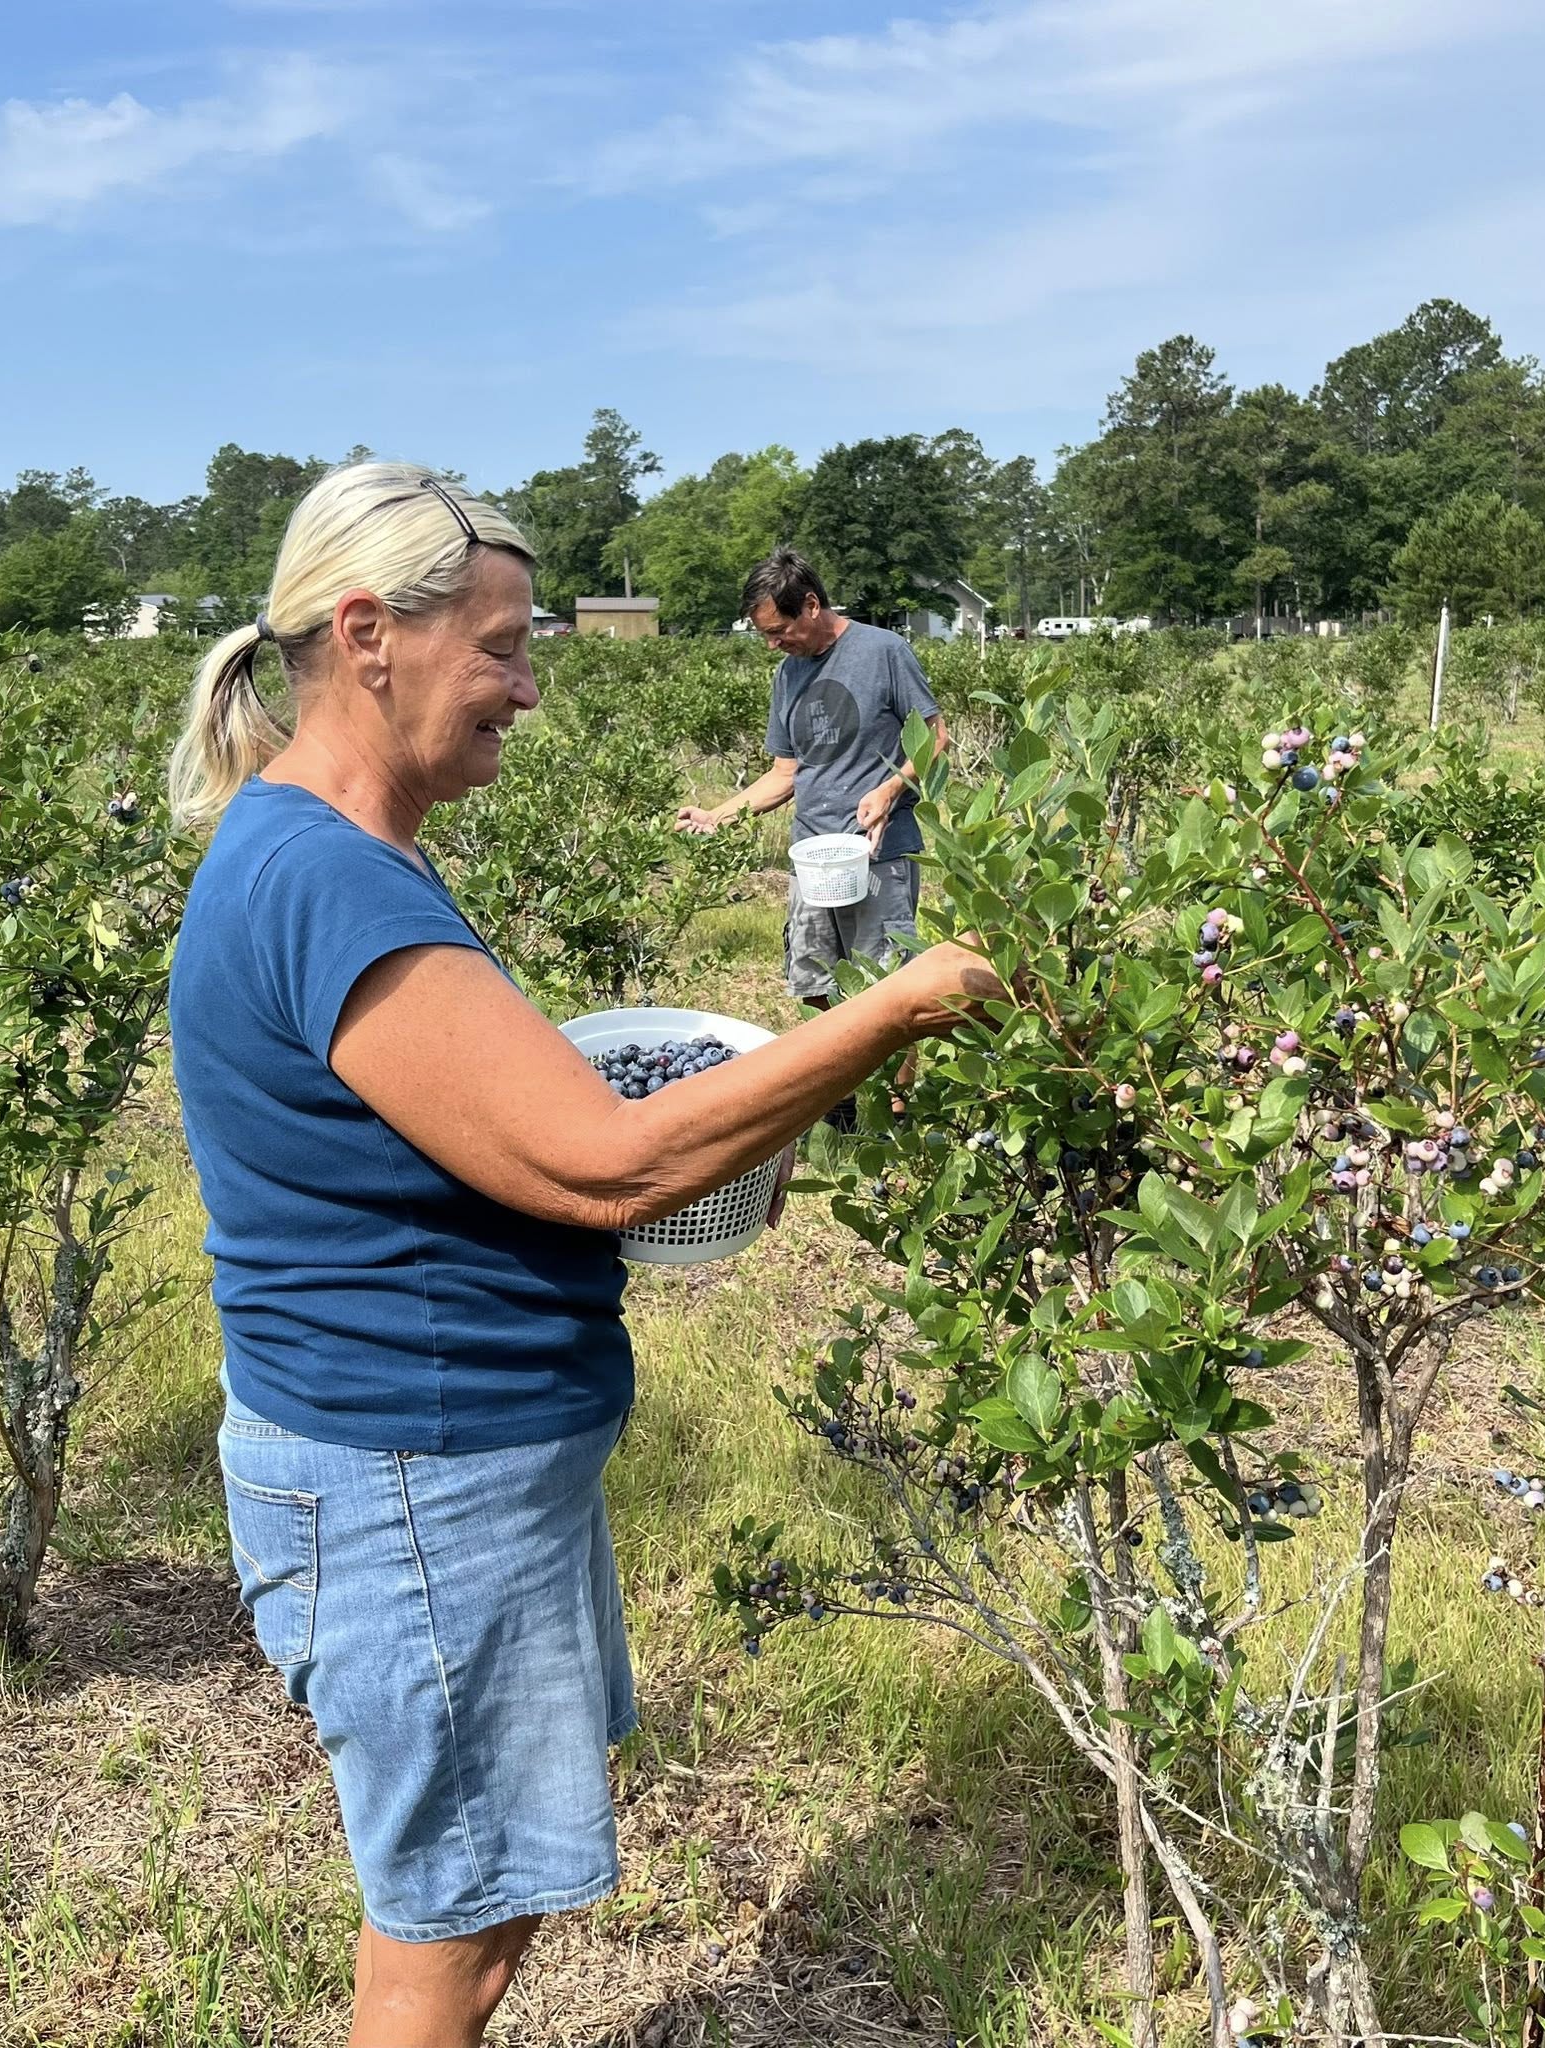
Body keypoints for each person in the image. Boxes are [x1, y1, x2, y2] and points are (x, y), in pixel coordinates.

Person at [165, 462, 997, 2048]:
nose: (529, 689)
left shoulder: (342, 851)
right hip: (411, 1469)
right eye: (501, 647)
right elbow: (603, 1160)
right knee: (451, 1933)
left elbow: (498, 1122)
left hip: (434, 1459)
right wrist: (891, 1009)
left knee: (482, 1895)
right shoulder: (324, 875)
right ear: (368, 637)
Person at [676, 551, 947, 1124]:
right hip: (814, 855)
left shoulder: (883, 653)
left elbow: (937, 739)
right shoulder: (788, 672)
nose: (774, 645)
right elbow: (784, 774)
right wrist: (717, 816)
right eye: (765, 636)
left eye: (780, 631)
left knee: (888, 987)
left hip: (878, 853)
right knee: (814, 979)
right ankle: (841, 1094)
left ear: (813, 605)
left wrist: (891, 789)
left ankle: (894, 1112)